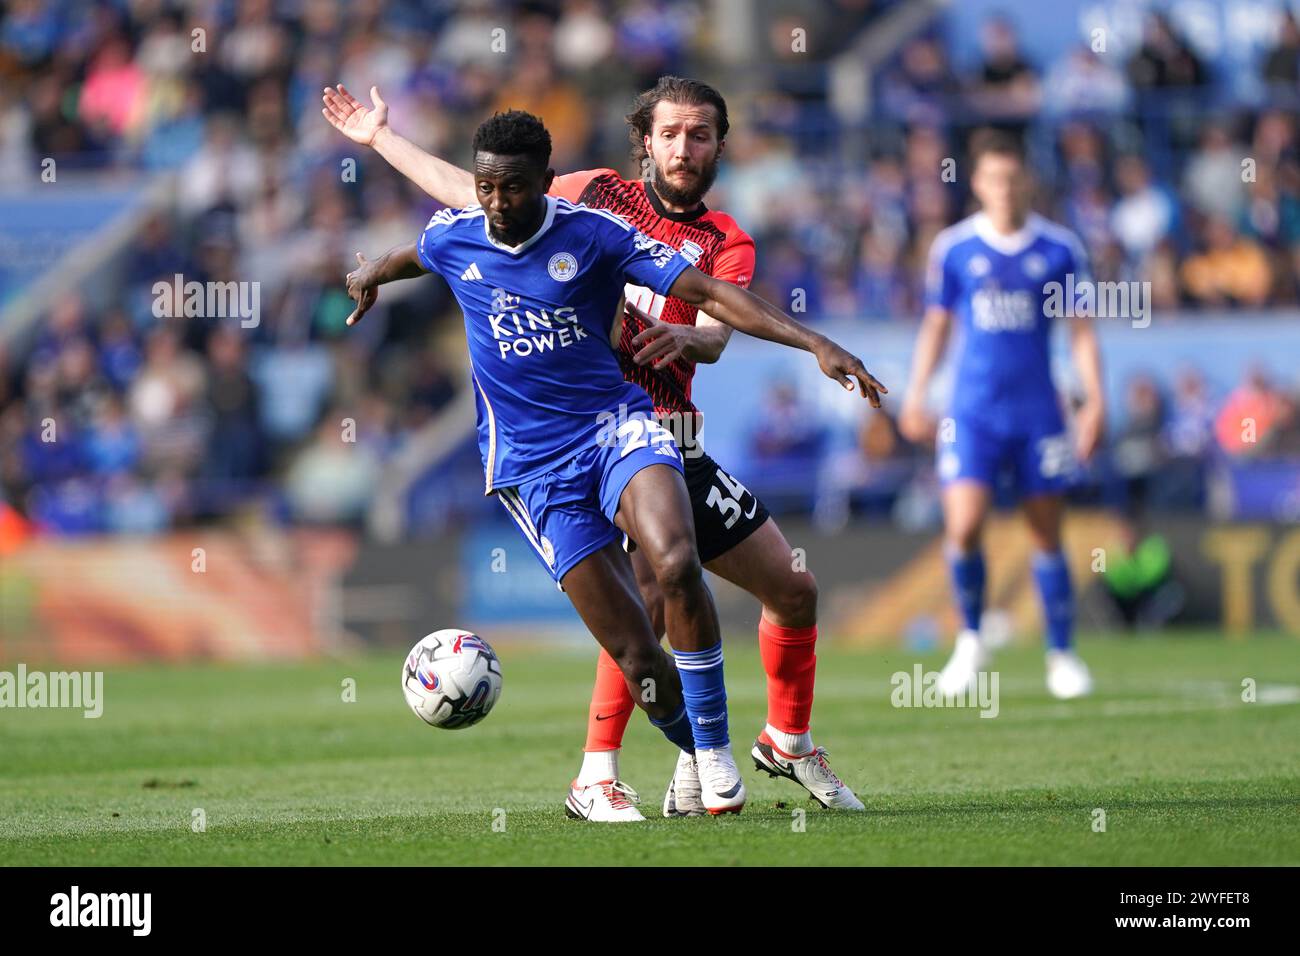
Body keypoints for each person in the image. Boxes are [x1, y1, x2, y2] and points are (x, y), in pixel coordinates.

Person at [323, 75, 877, 818]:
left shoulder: (723, 239)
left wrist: (706, 337)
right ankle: (612, 769)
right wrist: (381, 140)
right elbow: (470, 196)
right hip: (565, 441)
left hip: (659, 429)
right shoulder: (591, 196)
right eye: (670, 133)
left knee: (787, 588)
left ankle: (770, 742)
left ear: (719, 145)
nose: (684, 147)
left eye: (700, 134)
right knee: (647, 604)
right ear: (645, 141)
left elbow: (715, 323)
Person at [899, 129, 1104, 700]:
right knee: (963, 526)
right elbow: (937, 326)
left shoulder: (1060, 249)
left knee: (1045, 533)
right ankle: (970, 638)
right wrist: (916, 395)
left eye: (1013, 178)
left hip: (1039, 411)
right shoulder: (955, 249)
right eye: (993, 178)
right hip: (971, 411)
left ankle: (1061, 655)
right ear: (979, 183)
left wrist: (1095, 402)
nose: (1004, 189)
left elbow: (1081, 333)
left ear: (1027, 181)